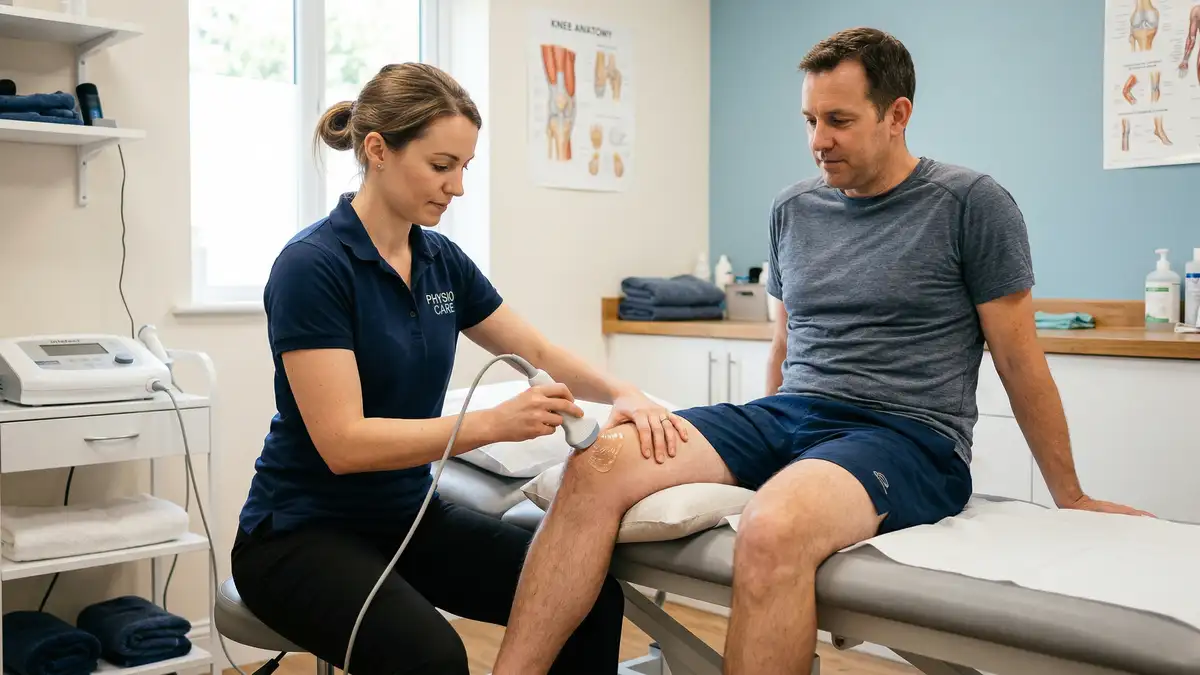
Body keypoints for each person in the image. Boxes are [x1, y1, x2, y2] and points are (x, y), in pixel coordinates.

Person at [489, 27, 1154, 675]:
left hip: (909, 437)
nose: (818, 141)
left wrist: (1071, 494)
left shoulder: (970, 204)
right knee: (595, 462)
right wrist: (759, 446)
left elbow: (1019, 361)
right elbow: (784, 342)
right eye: (809, 120)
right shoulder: (793, 208)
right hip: (790, 414)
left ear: (897, 115)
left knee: (771, 525)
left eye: (838, 120)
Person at [229, 62, 685, 675]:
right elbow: (343, 443)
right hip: (299, 535)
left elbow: (537, 352)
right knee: (432, 657)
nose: (458, 187)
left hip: (406, 518)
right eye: (442, 165)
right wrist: (492, 425)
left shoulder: (440, 260)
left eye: (465, 167)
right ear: (378, 150)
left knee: (585, 602)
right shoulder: (313, 266)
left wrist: (624, 391)